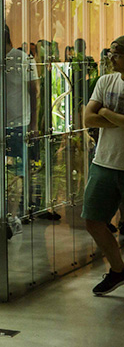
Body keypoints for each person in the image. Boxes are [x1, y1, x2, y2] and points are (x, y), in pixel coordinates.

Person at [82, 35, 124, 296]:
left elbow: (98, 115)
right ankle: (118, 269)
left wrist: (106, 113)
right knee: (93, 221)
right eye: (110, 53)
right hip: (105, 162)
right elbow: (88, 117)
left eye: (116, 53)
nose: (110, 58)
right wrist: (118, 119)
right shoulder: (106, 81)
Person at [0, 26, 39, 235]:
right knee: (2, 172)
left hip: (18, 124)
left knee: (16, 173)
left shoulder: (22, 59)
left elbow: (34, 92)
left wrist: (33, 124)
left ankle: (13, 216)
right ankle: (4, 214)